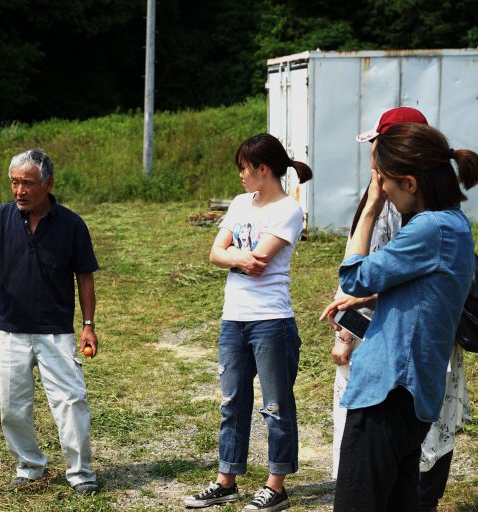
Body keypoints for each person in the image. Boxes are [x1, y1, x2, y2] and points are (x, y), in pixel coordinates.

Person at [320, 107, 471, 511]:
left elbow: (353, 275)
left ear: (409, 181)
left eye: (384, 181)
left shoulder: (428, 227)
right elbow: (426, 292)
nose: (381, 189)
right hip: (413, 392)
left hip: (387, 389)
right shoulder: (454, 225)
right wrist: (371, 300)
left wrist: (368, 210)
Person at [184, 134, 313, 511]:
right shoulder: (241, 203)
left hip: (271, 321)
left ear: (263, 169)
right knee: (232, 400)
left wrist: (234, 257)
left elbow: (260, 262)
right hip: (233, 318)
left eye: (244, 168)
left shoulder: (288, 210)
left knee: (276, 405)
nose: (240, 175)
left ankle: (276, 485)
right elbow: (215, 253)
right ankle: (227, 479)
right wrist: (237, 259)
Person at [0, 148, 100, 495]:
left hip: (56, 331)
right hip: (10, 329)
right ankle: (29, 465)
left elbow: (85, 277)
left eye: (27, 183)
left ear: (48, 184)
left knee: (71, 402)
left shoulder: (71, 224)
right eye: (14, 182)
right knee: (11, 406)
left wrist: (88, 324)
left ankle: (81, 473)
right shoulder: (1, 217)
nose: (19, 191)